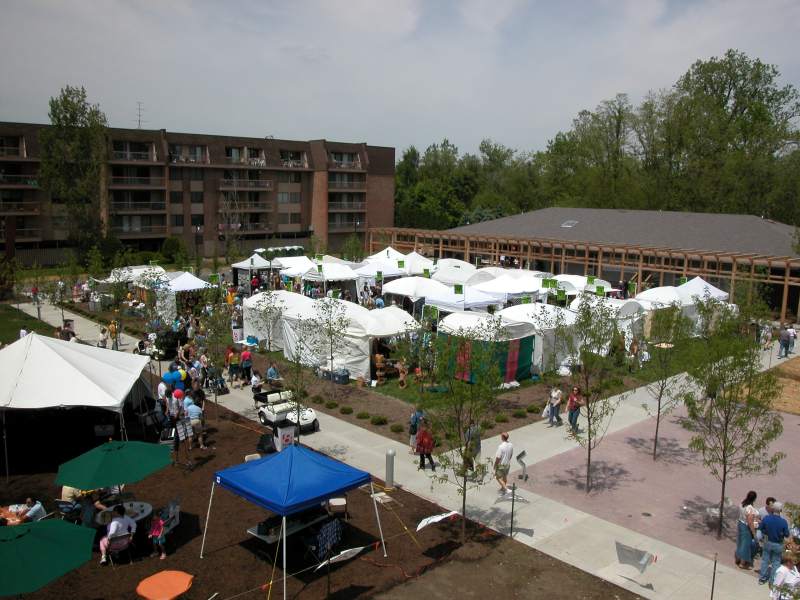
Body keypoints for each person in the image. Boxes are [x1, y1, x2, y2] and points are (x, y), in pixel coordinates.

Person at [759, 501, 790, 585]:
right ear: (780, 510)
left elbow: (761, 528)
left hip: (768, 541)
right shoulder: (783, 522)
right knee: (776, 562)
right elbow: (787, 534)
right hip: (778, 543)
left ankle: (762, 578)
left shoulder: (766, 518)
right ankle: (772, 581)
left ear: (773, 509)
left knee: (765, 560)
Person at [735, 490, 758, 569]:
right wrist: (754, 533)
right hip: (745, 526)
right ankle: (742, 563)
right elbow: (750, 521)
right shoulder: (750, 508)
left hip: (740, 523)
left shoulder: (742, 503)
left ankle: (738, 558)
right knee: (745, 544)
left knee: (740, 542)